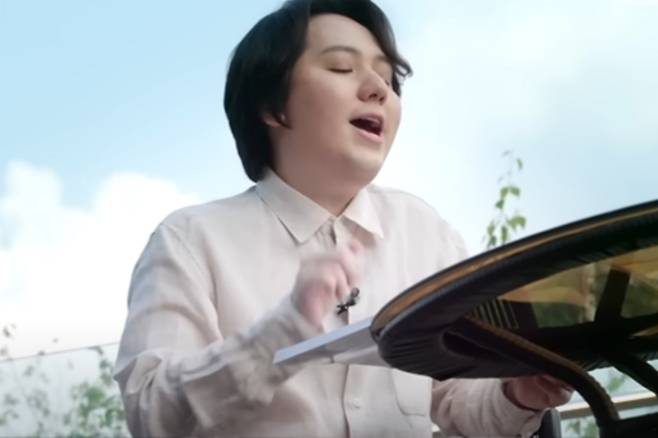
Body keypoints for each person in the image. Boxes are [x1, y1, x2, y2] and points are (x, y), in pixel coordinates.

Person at [114, 0, 572, 436]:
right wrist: (281, 333)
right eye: (340, 67)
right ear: (273, 106)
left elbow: (456, 398)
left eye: (388, 79)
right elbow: (151, 413)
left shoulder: (424, 231)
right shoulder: (190, 240)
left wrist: (518, 395)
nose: (378, 88)